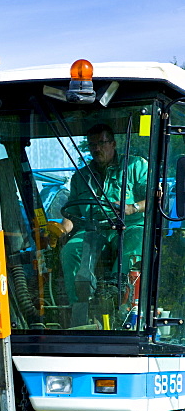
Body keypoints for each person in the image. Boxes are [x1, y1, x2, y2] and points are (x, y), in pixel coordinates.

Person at [59, 123, 147, 306]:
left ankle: (120, 301)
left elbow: (155, 199)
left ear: (113, 144)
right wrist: (61, 230)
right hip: (94, 228)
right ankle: (79, 309)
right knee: (70, 251)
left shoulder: (136, 165)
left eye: (102, 143)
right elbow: (71, 213)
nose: (96, 149)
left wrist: (132, 208)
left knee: (135, 243)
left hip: (129, 226)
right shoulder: (81, 177)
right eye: (92, 145)